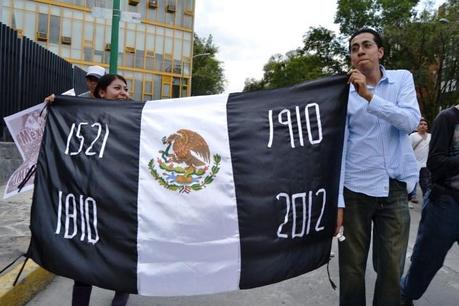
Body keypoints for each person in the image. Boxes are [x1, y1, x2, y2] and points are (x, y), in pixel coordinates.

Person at [336, 28, 420, 306]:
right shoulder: (343, 93)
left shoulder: (401, 80)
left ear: (380, 52)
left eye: (366, 45)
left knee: (391, 269)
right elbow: (340, 147)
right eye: (354, 47)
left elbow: (409, 121)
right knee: (351, 269)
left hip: (394, 190)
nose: (360, 50)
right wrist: (338, 202)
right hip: (355, 190)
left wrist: (370, 97)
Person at [46, 74, 130, 306]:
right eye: (117, 88)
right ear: (101, 92)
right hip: (90, 199)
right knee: (85, 255)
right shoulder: (84, 114)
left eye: (125, 88)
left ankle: (121, 297)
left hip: (123, 199)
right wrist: (57, 103)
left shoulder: (135, 116)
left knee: (121, 253)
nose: (123, 92)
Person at [400, 106, 459, 306]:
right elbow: (435, 163)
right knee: (427, 261)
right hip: (445, 202)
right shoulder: (448, 118)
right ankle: (404, 294)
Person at [407, 118, 431, 206]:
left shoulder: (430, 136)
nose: (423, 126)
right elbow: (408, 149)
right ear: (417, 127)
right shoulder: (413, 136)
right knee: (412, 183)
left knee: (425, 184)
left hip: (425, 164)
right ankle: (409, 200)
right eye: (421, 124)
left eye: (425, 124)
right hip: (414, 164)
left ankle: (426, 202)